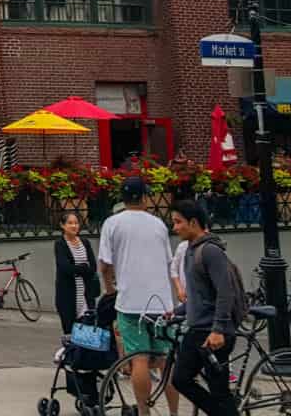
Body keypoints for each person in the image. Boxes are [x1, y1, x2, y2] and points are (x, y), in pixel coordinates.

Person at [99, 175, 176, 416]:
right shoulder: (158, 224)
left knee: (138, 359)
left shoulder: (112, 223)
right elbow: (168, 261)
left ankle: (144, 411)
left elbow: (104, 264)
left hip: (131, 302)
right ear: (143, 197)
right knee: (165, 360)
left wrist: (110, 288)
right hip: (162, 303)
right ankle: (174, 413)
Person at [168, 200, 240, 416]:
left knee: (215, 390)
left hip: (212, 332)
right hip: (199, 329)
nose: (175, 228)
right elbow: (199, 295)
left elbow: (225, 292)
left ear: (193, 222)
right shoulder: (191, 250)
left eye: (178, 222)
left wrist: (218, 330)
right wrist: (177, 311)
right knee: (184, 380)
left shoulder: (210, 251)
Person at [52, 209, 101, 336]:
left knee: (88, 333)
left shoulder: (85, 242)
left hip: (86, 295)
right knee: (70, 333)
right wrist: (84, 267)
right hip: (68, 296)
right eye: (70, 223)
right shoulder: (60, 244)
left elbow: (93, 267)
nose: (74, 226)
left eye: (76, 223)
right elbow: (65, 268)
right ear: (62, 225)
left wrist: (80, 269)